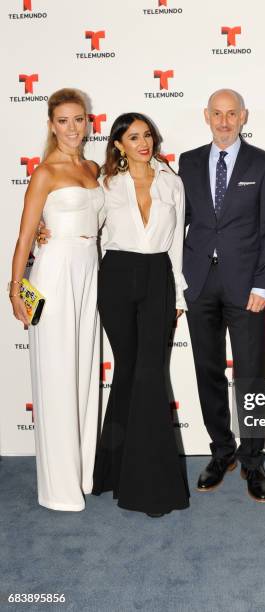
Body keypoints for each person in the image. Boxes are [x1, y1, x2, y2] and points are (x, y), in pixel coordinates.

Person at [40, 113, 190, 517]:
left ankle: (150, 487)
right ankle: (112, 470)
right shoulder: (106, 185)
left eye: (147, 136)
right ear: (119, 145)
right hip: (117, 280)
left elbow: (176, 244)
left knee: (148, 374)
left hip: (158, 277)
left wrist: (178, 293)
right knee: (127, 373)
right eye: (133, 137)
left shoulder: (172, 183)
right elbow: (81, 223)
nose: (143, 143)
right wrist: (44, 232)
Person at [178, 89, 265, 502]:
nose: (224, 122)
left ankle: (253, 460)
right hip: (199, 282)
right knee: (207, 372)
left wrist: (263, 285)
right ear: (206, 116)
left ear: (243, 116)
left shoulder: (264, 163)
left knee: (250, 375)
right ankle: (222, 452)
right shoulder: (186, 163)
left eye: (231, 114)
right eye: (217, 114)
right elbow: (174, 221)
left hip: (248, 288)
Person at [9, 88, 104, 511]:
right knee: (56, 374)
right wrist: (15, 291)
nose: (72, 128)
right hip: (53, 272)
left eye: (79, 119)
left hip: (89, 270)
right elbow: (26, 236)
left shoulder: (93, 167)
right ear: (51, 125)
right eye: (63, 120)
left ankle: (83, 473)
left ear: (89, 122)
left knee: (83, 371)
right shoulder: (45, 173)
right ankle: (58, 488)